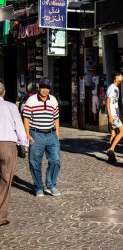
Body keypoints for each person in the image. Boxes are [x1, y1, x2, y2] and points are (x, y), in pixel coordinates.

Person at [23, 77, 61, 197]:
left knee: (55, 160)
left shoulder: (53, 100)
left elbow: (56, 118)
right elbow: (26, 118)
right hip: (36, 134)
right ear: (39, 87)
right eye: (43, 87)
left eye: (47, 88)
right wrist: (27, 135)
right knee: (35, 162)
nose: (45, 90)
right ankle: (38, 187)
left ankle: (51, 185)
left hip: (51, 134)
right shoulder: (31, 100)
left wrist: (57, 134)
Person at [0, 82, 29, 226]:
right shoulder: (11, 107)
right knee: (5, 180)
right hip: (7, 146)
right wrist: (24, 144)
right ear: (3, 93)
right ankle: (0, 217)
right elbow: (19, 126)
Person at [106, 72, 123, 162]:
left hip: (115, 114)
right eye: (120, 76)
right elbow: (108, 102)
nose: (122, 77)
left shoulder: (116, 88)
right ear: (115, 77)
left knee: (114, 133)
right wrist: (110, 116)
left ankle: (111, 154)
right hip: (113, 114)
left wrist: (120, 115)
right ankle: (111, 149)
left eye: (122, 76)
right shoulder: (112, 88)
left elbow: (116, 103)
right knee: (122, 131)